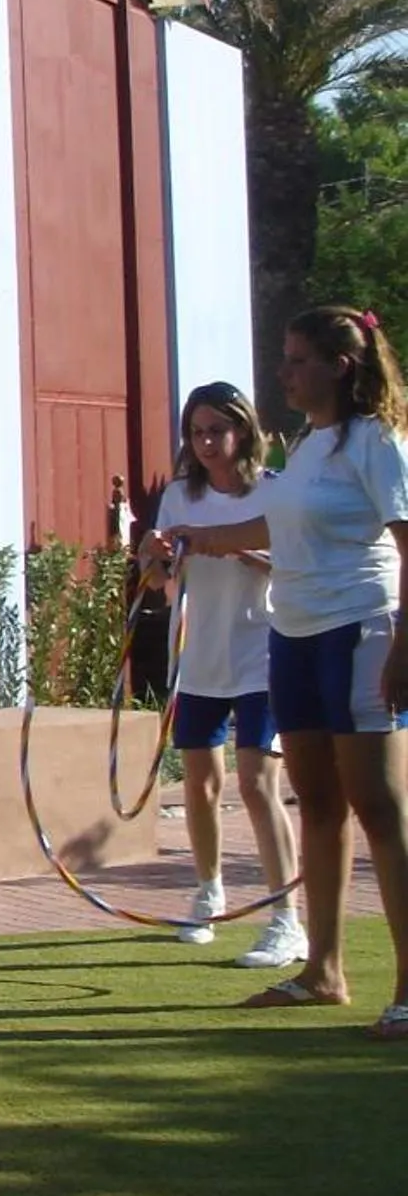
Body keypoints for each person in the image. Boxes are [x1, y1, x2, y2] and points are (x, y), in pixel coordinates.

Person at [173, 306, 408, 1037]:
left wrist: (404, 645)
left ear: (342, 365)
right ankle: (323, 973)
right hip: (294, 635)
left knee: (379, 805)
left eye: (299, 359)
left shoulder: (376, 441)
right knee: (319, 803)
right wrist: (194, 537)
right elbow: (274, 528)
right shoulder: (308, 446)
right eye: (285, 357)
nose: (284, 372)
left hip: (361, 629)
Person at [140, 382, 302, 965]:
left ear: (242, 431)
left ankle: (286, 919)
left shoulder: (277, 492)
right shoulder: (179, 495)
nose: (206, 442)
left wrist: (227, 546)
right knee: (200, 785)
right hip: (197, 658)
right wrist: (154, 555)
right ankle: (208, 893)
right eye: (197, 432)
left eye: (217, 430)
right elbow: (158, 580)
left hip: (263, 654)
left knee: (257, 784)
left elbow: (295, 565)